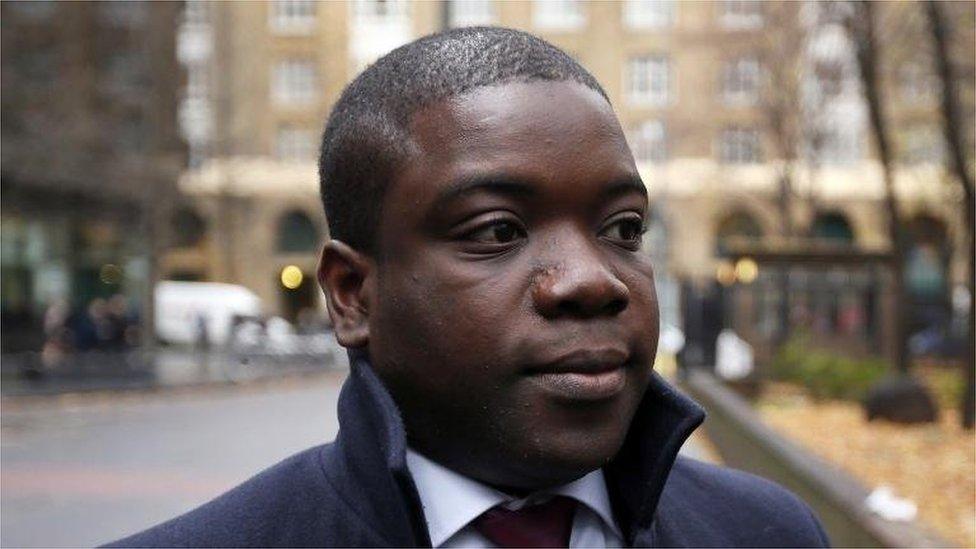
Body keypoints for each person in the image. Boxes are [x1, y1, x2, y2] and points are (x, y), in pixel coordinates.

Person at [109, 27, 829, 548]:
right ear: (353, 293)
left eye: (623, 228)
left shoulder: (768, 532)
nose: (592, 280)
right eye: (496, 231)